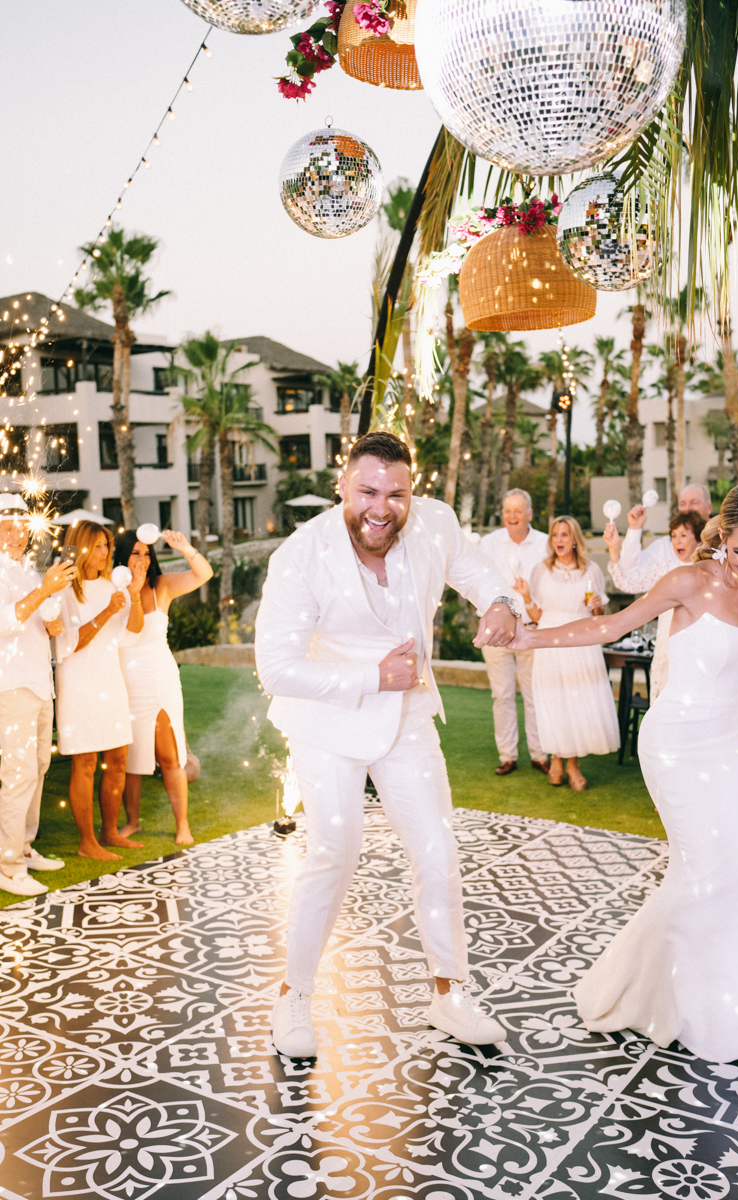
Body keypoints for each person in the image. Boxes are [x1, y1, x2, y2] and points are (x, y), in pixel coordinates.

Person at [494, 481, 738, 1063]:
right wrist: (530, 636)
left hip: (727, 745)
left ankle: (737, 1003)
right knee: (705, 873)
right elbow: (609, 626)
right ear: (721, 540)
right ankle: (664, 1000)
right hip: (676, 743)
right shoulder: (687, 582)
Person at [256, 430, 519, 1058]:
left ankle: (449, 994)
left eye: (396, 493)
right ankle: (292, 998)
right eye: (368, 490)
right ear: (343, 486)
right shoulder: (301, 554)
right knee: (333, 856)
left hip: (406, 722)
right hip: (327, 726)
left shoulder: (434, 524)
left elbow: (479, 568)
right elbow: (276, 667)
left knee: (438, 852)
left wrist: (503, 600)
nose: (382, 507)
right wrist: (372, 677)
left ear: (412, 491)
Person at [114, 528, 212, 846]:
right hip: (125, 680)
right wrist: (131, 590)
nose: (142, 559)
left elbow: (204, 573)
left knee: (170, 756)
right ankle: (132, 822)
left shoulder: (163, 586)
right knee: (130, 759)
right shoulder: (112, 589)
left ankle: (182, 824)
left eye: (146, 553)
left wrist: (184, 547)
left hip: (159, 679)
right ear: (122, 557)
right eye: (135, 553)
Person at [55, 520, 146, 861]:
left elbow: (131, 634)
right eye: (97, 546)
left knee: (118, 759)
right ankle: (87, 842)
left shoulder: (112, 585)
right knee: (86, 763)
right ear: (79, 548)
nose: (105, 552)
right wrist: (108, 610)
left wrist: (133, 597)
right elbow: (69, 643)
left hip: (110, 680)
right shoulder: (63, 590)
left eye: (106, 545)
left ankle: (110, 831)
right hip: (79, 683)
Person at [0, 494, 76, 896]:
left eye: (20, 527)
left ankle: (24, 847)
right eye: (7, 526)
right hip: (11, 686)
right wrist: (45, 589)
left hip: (39, 683)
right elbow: (5, 622)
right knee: (18, 774)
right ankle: (8, 865)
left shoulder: (27, 570)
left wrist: (51, 624)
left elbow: (36, 618)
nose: (16, 534)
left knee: (40, 766)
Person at [515, 515, 618, 791]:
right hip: (549, 639)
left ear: (574, 540)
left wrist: (597, 606)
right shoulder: (540, 571)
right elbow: (537, 615)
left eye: (564, 535)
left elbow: (599, 615)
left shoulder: (591, 570)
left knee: (577, 702)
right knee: (553, 701)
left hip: (581, 640)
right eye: (555, 535)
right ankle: (556, 759)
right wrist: (525, 596)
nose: (559, 540)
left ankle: (572, 765)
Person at [480, 488, 549, 776]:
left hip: (531, 629)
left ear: (529, 514)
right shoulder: (488, 543)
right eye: (508, 510)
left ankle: (540, 754)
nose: (512, 516)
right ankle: (507, 755)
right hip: (496, 633)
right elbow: (478, 584)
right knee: (502, 695)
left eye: (517, 511)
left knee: (535, 695)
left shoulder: (545, 544)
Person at [604, 510, 706, 698]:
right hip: (667, 646)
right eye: (674, 536)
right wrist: (614, 549)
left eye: (684, 535)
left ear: (699, 540)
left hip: (699, 647)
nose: (677, 541)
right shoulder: (665, 570)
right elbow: (627, 583)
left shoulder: (709, 571)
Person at [618, 483, 713, 577]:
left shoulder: (722, 540)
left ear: (709, 508)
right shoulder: (665, 547)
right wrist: (635, 528)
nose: (687, 509)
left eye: (694, 503)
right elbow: (630, 568)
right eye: (682, 504)